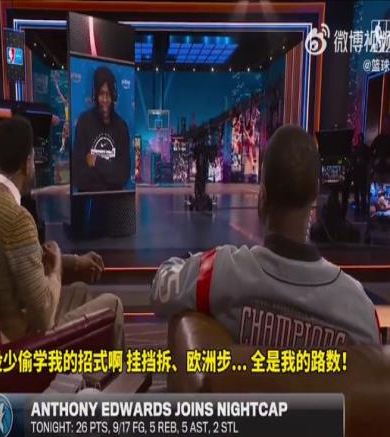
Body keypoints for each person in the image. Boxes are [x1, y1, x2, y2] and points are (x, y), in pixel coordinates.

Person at [151, 125, 380, 347]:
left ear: (263, 196)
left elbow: (161, 288)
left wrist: (190, 263)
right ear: (315, 193)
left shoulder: (220, 273)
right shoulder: (359, 310)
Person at [0, 116, 124, 347]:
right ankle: (117, 370)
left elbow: (25, 259)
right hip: (23, 339)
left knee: (80, 291)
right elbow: (43, 315)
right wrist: (58, 266)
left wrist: (76, 262)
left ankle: (87, 364)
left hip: (9, 319)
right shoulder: (17, 219)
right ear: (27, 163)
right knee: (113, 305)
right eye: (33, 158)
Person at [72, 66, 131, 192]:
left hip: (115, 201)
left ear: (114, 96)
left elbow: (123, 176)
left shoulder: (121, 127)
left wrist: (96, 162)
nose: (105, 100)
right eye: (101, 94)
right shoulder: (84, 122)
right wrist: (111, 173)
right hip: (88, 200)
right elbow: (79, 177)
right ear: (95, 95)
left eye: (108, 94)